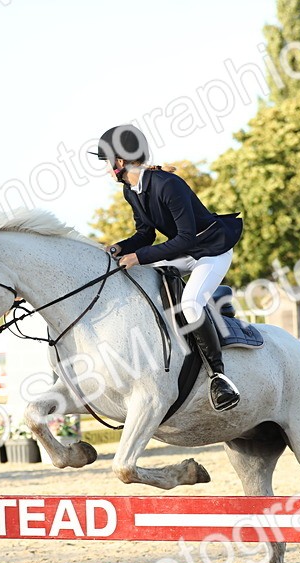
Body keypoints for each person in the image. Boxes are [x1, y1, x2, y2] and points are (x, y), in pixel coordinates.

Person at [92, 124, 243, 412]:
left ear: (120, 161)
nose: (105, 168)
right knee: (141, 277)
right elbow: (145, 234)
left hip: (211, 250)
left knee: (190, 304)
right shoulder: (131, 190)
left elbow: (186, 238)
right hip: (184, 250)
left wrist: (138, 257)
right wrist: (120, 248)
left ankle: (218, 376)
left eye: (106, 161)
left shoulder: (168, 185)